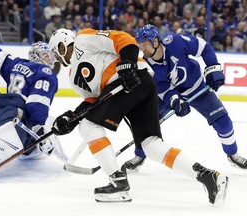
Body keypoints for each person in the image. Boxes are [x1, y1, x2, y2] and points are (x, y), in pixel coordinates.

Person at [48, 28, 228, 204]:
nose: (56, 57)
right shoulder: (73, 77)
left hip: (133, 79)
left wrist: (127, 63)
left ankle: (118, 183)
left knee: (88, 127)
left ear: (62, 44)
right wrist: (70, 118)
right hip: (135, 87)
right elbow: (93, 101)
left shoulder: (83, 38)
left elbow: (124, 39)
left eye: (57, 51)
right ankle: (207, 176)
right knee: (151, 145)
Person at [123, 24, 247, 173]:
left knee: (223, 121)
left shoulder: (176, 42)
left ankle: (233, 155)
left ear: (155, 41)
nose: (142, 49)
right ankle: (140, 155)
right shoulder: (147, 66)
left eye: (145, 45)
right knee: (147, 122)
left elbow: (204, 47)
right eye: (140, 46)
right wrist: (175, 100)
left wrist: (213, 68)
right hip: (171, 94)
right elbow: (162, 87)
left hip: (197, 88)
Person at [0, 25, 62, 176]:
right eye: (47, 55)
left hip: (4, 111)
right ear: (37, 55)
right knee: (6, 144)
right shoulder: (45, 72)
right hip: (19, 113)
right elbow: (36, 103)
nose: (51, 59)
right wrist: (40, 128)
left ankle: (33, 147)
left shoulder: (15, 63)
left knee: (23, 146)